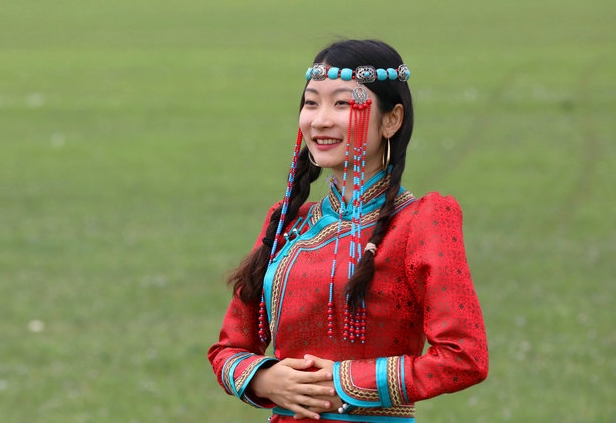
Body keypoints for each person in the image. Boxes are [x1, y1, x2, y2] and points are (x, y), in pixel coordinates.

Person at [208, 39, 488, 422]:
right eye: (311, 103)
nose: (320, 120)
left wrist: (344, 380)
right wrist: (263, 378)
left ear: (391, 120)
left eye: (342, 103)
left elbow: (464, 357)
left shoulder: (421, 222)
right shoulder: (287, 222)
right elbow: (228, 348)